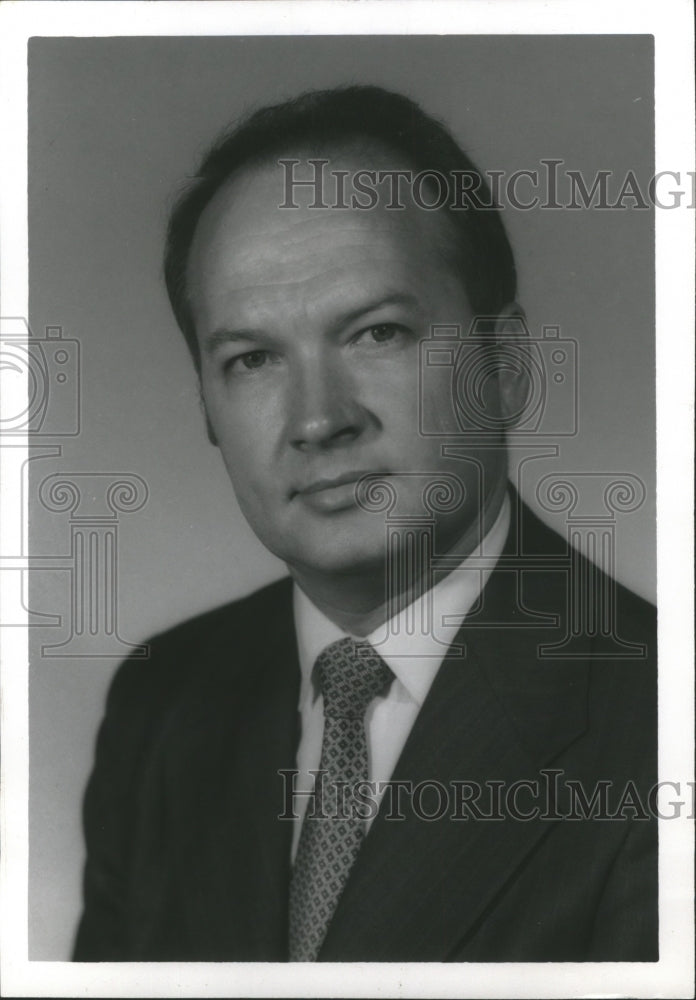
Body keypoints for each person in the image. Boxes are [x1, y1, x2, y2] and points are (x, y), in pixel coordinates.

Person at [73, 85, 657, 962]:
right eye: (254, 358)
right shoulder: (163, 708)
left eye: (376, 334)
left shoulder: (657, 722)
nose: (318, 419)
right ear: (206, 405)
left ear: (504, 369)